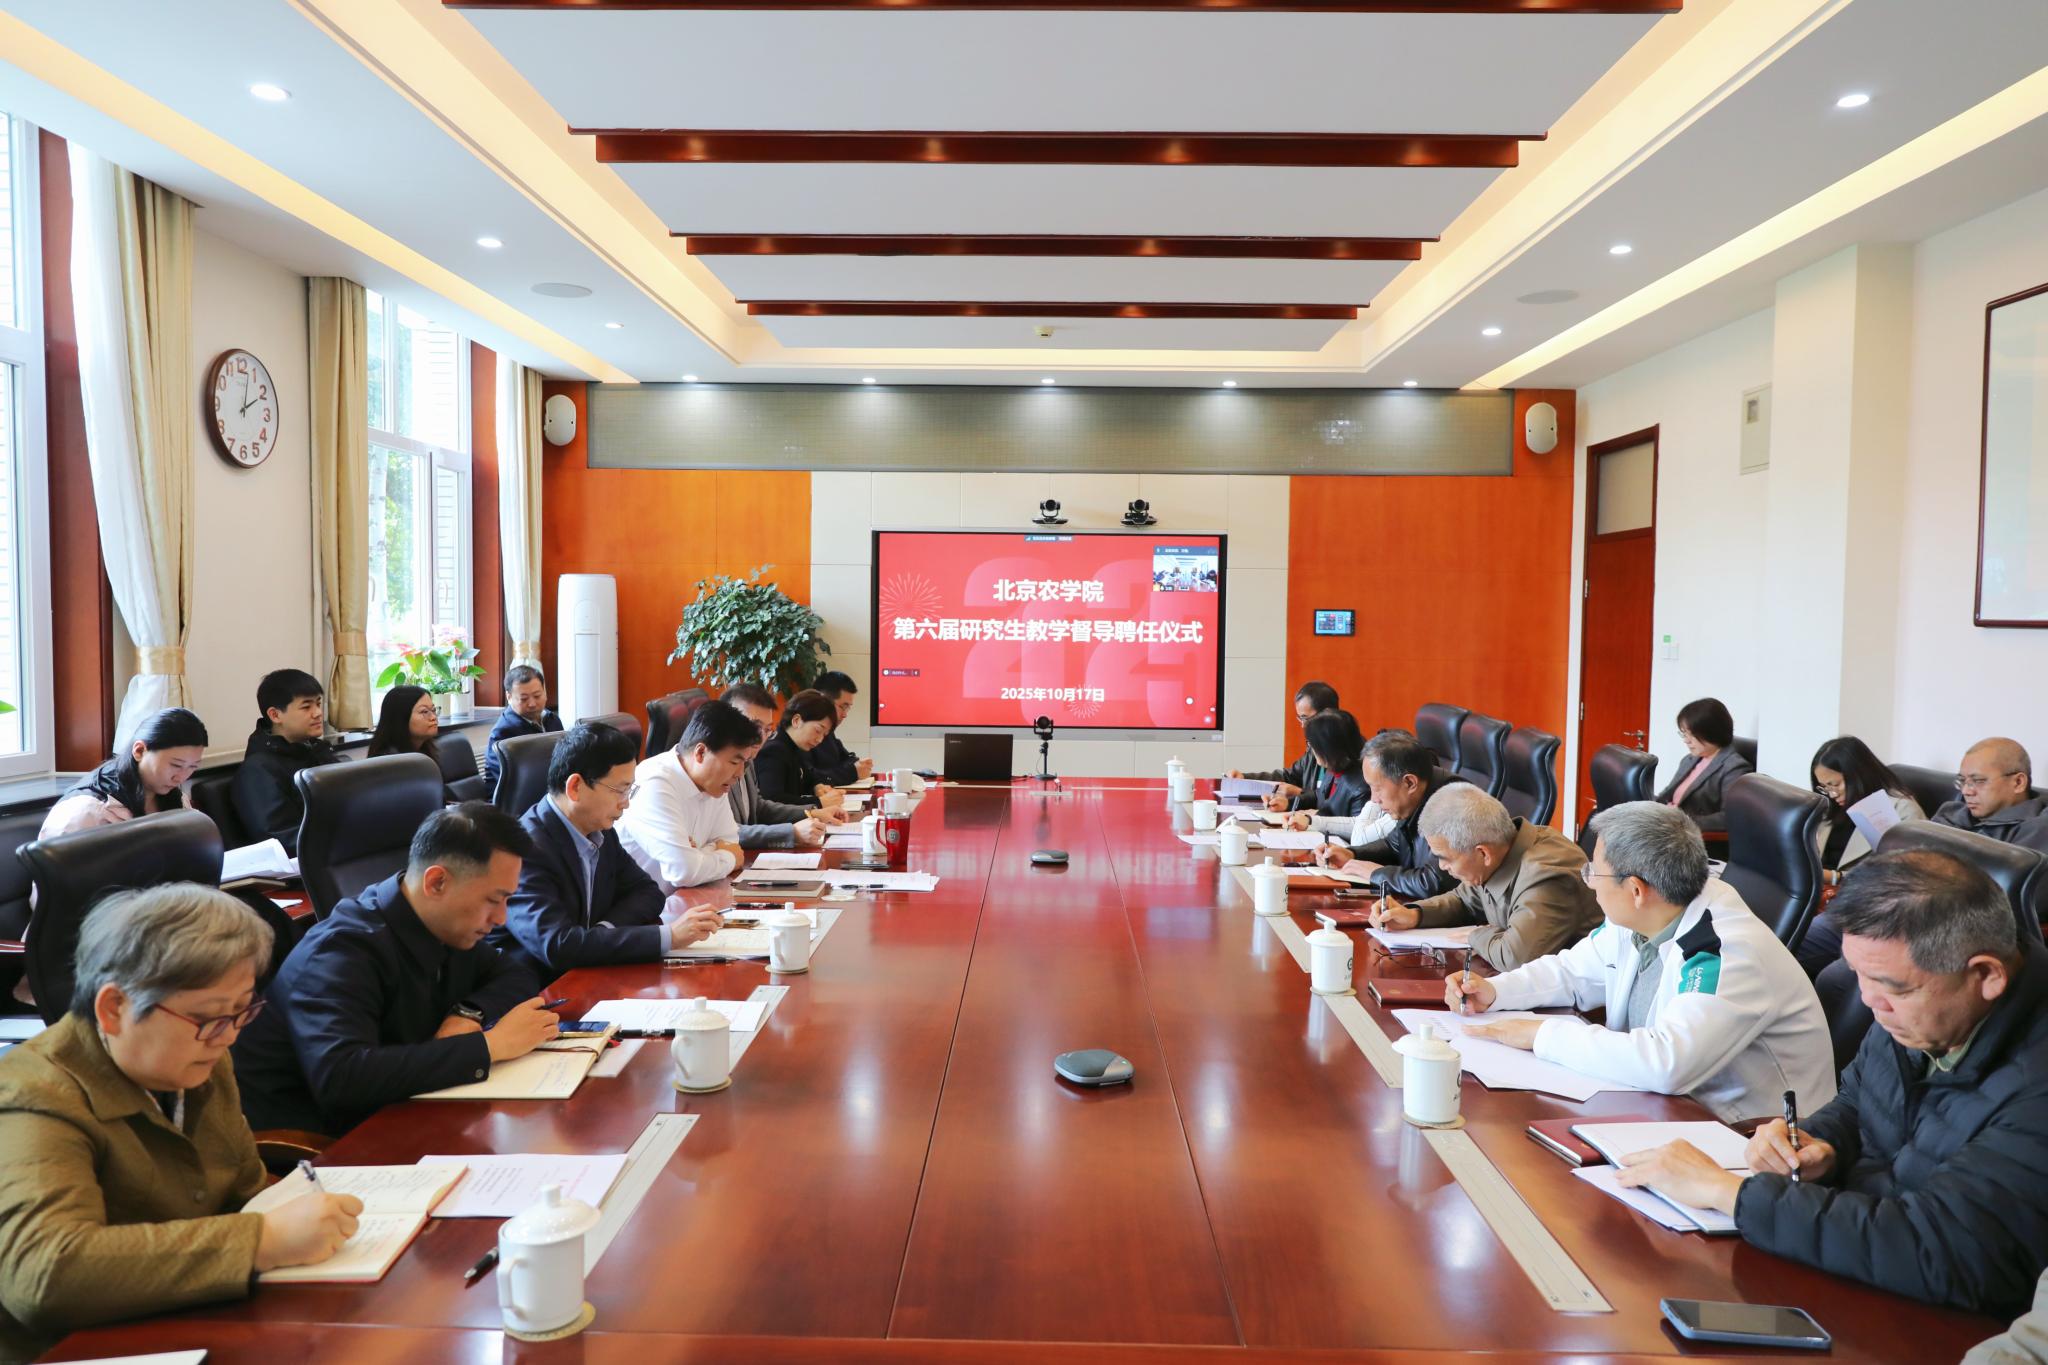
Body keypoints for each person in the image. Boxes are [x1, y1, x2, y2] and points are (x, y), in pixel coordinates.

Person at [1610, 848, 2048, 1314]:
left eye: (1892, 987)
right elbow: (1860, 1101)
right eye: (1858, 975)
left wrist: (1729, 1194)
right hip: (1857, 1265)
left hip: (1942, 1318)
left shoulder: (2035, 1086)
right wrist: (1819, 1142)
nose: (1870, 1001)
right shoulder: (1924, 1008)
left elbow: (1948, 1251)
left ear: (1985, 975)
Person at [0, 886, 362, 1361]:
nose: (228, 1037)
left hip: (198, 1316)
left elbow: (245, 1192)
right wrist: (263, 1241)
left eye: (242, 1011)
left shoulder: (198, 1058)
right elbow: (44, 1274)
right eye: (209, 1017)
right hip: (86, 1348)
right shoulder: (34, 1095)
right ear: (114, 1009)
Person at [1449, 801, 1834, 1124]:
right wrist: (1495, 990)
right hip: (1659, 1108)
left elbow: (1667, 1062)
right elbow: (1573, 971)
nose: (1588, 881)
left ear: (1635, 889)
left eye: (1593, 872)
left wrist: (1542, 1035)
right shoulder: (1646, 911)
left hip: (1749, 1136)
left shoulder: (1727, 950)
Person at [231, 804, 556, 1136]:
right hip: (323, 1140)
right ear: (437, 882)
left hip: (403, 1109)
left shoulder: (444, 924)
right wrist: (489, 1047)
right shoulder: (340, 951)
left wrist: (468, 1013)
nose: (501, 918)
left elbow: (516, 974)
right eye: (493, 900)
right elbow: (342, 1077)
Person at [489, 722, 721, 981]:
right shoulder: (525, 849)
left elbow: (648, 892)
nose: (626, 802)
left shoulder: (600, 830)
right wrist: (669, 936)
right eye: (620, 790)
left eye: (630, 790)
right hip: (539, 987)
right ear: (575, 787)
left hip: (591, 972)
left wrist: (600, 932)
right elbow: (558, 945)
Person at [1376, 783, 1601, 970]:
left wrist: (1478, 934)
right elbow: (1464, 899)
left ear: (1483, 853)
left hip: (1577, 1004)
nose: (1443, 867)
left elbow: (1516, 958)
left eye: (1446, 858)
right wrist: (1414, 914)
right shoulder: (1502, 850)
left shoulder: (1546, 873)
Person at [1797, 735, 1927, 978]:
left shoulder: (1900, 809)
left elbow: (1904, 878)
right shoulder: (1831, 808)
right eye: (1824, 787)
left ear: (1858, 774)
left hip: (1859, 906)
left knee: (1795, 945)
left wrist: (1834, 877)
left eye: (1835, 784)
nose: (1831, 793)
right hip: (1817, 895)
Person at [615, 698, 756, 892]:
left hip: (685, 897)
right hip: (647, 905)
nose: (740, 774)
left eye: (744, 764)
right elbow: (683, 871)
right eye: (734, 762)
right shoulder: (655, 783)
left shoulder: (714, 784)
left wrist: (697, 855)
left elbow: (730, 841)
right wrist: (726, 857)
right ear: (701, 753)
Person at [1320, 733, 1464, 899]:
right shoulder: (1414, 796)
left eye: (1377, 788)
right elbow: (1394, 844)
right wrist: (1352, 854)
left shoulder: (1453, 806)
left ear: (1409, 783)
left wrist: (1377, 873)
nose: (1374, 799)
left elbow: (1433, 884)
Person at [38, 708, 208, 840]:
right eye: (176, 765)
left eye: (192, 767)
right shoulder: (85, 811)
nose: (181, 777)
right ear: (139, 751)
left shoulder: (176, 799)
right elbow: (55, 874)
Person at [230, 668, 341, 854]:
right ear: (275, 715)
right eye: (306, 707)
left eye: (318, 704)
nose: (317, 713)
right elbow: (281, 838)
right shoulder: (258, 771)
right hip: (313, 860)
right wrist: (346, 839)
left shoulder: (317, 751)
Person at [723, 683, 834, 850]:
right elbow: (726, 833)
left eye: (767, 729)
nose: (760, 737)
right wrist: (791, 832)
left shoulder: (748, 758)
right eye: (754, 726)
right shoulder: (714, 765)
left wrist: (811, 812)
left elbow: (758, 807)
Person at [1228, 681, 1339, 812]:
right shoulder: (1313, 747)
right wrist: (1245, 778)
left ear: (1327, 714)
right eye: (1300, 718)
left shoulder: (1347, 753)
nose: (1303, 725)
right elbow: (1289, 777)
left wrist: (1299, 793)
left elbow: (1338, 803)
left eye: (1305, 718)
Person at [1932, 738, 2048, 854]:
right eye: (1962, 781)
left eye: (1978, 781)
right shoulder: (1950, 813)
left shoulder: (2036, 830)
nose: (1965, 791)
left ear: (2018, 783)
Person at [1653, 697, 1751, 832]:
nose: (1686, 741)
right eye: (1684, 734)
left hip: (1689, 835)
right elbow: (1667, 795)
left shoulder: (1734, 767)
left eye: (1692, 734)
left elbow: (1729, 818)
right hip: (1665, 825)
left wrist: (1679, 820)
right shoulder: (1689, 759)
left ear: (1712, 732)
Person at [753, 690, 843, 811]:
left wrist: (817, 786)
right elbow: (772, 799)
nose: (820, 740)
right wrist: (819, 802)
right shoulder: (774, 751)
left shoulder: (794, 746)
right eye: (818, 730)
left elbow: (807, 777)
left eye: (824, 735)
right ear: (796, 721)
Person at [483, 664, 563, 792]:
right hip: (516, 798)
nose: (532, 704)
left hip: (552, 791)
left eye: (537, 696)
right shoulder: (503, 732)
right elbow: (512, 782)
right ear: (509, 697)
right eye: (524, 699)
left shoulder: (552, 720)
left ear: (544, 691)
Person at [808, 671, 872, 788]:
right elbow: (809, 778)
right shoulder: (803, 733)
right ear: (823, 700)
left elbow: (848, 759)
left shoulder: (828, 732)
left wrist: (857, 766)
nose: (845, 715)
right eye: (843, 706)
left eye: (848, 708)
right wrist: (852, 772)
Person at [366, 684, 441, 761]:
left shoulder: (426, 749)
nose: (433, 717)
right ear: (400, 717)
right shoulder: (390, 761)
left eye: (433, 710)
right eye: (424, 711)